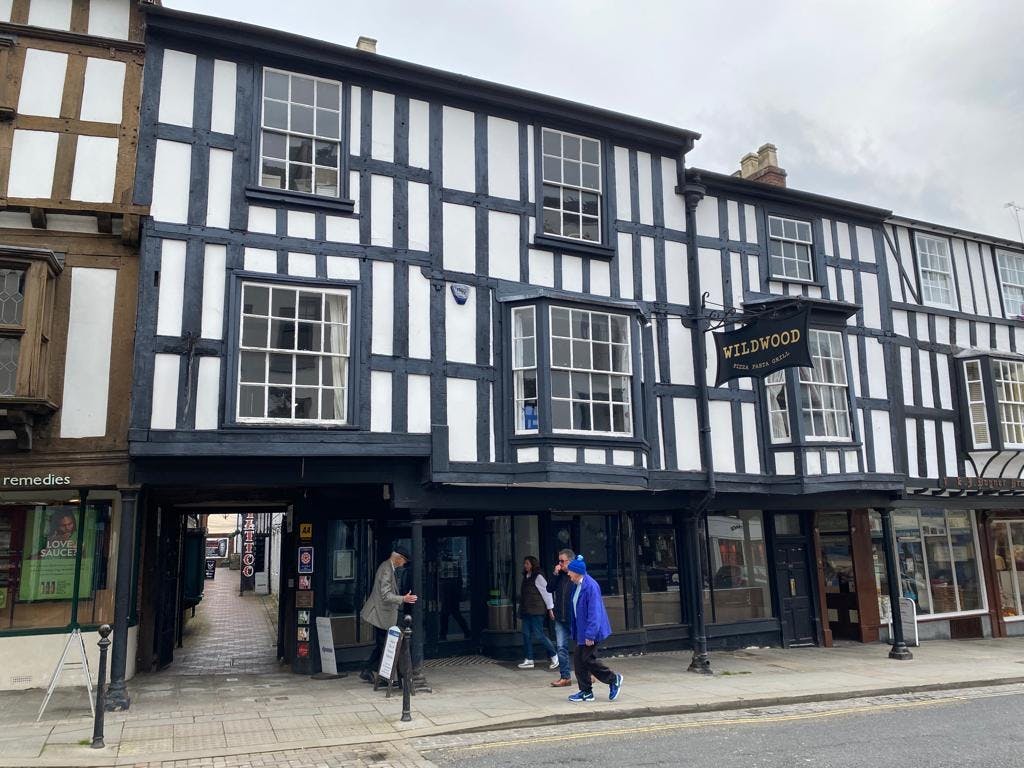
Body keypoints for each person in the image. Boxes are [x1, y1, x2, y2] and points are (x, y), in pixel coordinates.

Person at [565, 555, 622, 702]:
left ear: (577, 572)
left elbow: (594, 613)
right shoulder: (576, 585)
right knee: (579, 659)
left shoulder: (591, 586)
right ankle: (586, 692)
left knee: (587, 659)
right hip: (582, 630)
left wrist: (590, 635)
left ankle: (613, 679)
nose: (568, 573)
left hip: (592, 631)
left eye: (570, 571)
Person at [359, 546, 417, 682]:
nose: (404, 564)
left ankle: (369, 671)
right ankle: (384, 676)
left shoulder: (389, 568)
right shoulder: (386, 569)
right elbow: (385, 596)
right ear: (398, 558)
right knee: (385, 646)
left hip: (382, 614)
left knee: (383, 645)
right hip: (380, 614)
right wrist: (403, 598)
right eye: (404, 561)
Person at [516, 555, 559, 670]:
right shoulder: (526, 576)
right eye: (525, 564)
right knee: (526, 634)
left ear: (532, 564)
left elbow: (547, 592)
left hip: (536, 610)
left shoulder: (538, 576)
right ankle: (529, 659)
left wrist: (550, 608)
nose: (525, 566)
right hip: (527, 610)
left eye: (527, 564)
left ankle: (554, 655)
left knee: (539, 635)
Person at [546, 548, 576, 687]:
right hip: (560, 616)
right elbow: (549, 588)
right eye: (559, 561)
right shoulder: (560, 576)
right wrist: (555, 573)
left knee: (582, 647)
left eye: (562, 561)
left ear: (570, 561)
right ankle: (565, 676)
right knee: (561, 647)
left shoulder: (576, 575)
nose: (560, 564)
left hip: (573, 617)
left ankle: (589, 672)